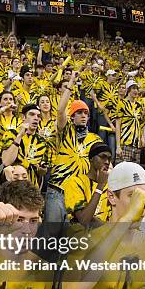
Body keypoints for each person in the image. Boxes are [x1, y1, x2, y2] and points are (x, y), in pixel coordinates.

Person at [46, 72, 102, 224]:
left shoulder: (95, 139)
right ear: (72, 116)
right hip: (58, 189)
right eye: (79, 113)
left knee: (72, 238)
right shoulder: (66, 131)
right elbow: (59, 111)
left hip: (79, 194)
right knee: (52, 235)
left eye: (86, 113)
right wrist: (71, 81)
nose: (83, 115)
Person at [62, 142, 112, 227]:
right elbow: (84, 220)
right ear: (92, 158)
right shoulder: (75, 182)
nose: (107, 162)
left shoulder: (111, 187)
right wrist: (100, 186)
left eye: (109, 158)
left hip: (102, 238)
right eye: (102, 157)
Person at [1, 104, 48, 188]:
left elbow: (41, 172)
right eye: (32, 114)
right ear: (23, 117)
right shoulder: (11, 134)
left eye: (38, 116)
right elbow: (6, 162)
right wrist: (19, 136)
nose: (36, 118)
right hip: (13, 188)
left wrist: (42, 170)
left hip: (32, 189)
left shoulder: (42, 142)